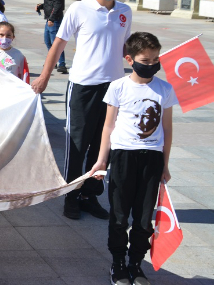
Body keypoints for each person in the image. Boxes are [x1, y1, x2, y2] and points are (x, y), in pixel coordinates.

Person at [31, 0, 132, 221]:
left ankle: (90, 195)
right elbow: (58, 44)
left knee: (103, 146)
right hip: (84, 86)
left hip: (113, 88)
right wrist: (44, 76)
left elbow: (124, 49)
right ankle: (71, 196)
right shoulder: (80, 9)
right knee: (78, 144)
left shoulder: (124, 11)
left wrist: (142, 63)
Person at [88, 32, 175, 285]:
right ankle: (118, 263)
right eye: (145, 61)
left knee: (144, 217)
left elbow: (167, 129)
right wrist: (102, 160)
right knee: (119, 215)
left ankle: (136, 264)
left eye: (155, 59)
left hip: (152, 159)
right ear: (130, 58)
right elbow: (108, 126)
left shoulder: (164, 89)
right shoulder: (118, 87)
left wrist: (165, 164)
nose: (151, 65)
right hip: (124, 157)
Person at [36, 0, 68, 74]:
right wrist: (41, 6)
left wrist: (52, 18)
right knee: (48, 41)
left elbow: (58, 4)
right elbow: (51, 4)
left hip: (54, 20)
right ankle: (53, 61)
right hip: (50, 19)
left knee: (56, 43)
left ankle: (62, 64)